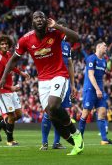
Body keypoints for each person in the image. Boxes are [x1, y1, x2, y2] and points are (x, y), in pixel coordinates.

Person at [0, 11, 83, 155]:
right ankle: (75, 143)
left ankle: (76, 133)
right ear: (32, 22)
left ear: (46, 20)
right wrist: (3, 78)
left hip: (59, 75)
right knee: (51, 114)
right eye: (36, 18)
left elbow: (77, 38)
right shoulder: (25, 40)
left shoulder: (55, 32)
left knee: (54, 105)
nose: (39, 19)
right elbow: (13, 59)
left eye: (41, 17)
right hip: (43, 80)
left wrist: (57, 26)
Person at [40, 18, 76, 150]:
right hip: (51, 80)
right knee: (49, 112)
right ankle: (44, 142)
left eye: (61, 28)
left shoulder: (67, 46)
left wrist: (72, 84)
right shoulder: (49, 42)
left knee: (61, 113)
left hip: (64, 82)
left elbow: (70, 65)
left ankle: (56, 142)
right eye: (57, 27)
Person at [0, 35, 30, 146]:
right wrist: (10, 88)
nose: (5, 45)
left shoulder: (8, 54)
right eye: (2, 44)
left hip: (9, 89)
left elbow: (10, 66)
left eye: (6, 43)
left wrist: (21, 73)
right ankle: (10, 140)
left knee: (18, 115)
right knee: (11, 117)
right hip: (1, 91)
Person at [78, 41, 112, 145]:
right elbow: (91, 75)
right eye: (104, 46)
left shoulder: (104, 61)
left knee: (102, 113)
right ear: (98, 47)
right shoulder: (91, 58)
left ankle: (104, 139)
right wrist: (97, 89)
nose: (106, 48)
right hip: (90, 90)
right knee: (85, 113)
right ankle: (79, 139)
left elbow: (101, 78)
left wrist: (102, 89)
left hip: (99, 90)